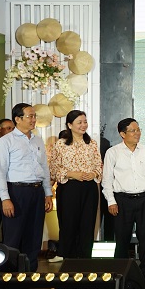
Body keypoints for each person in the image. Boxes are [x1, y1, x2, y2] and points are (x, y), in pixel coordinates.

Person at [0, 103, 53, 271]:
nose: (34, 119)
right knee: (13, 236)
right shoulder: (5, 142)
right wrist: (5, 199)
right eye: (30, 116)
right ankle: (10, 276)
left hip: (37, 191)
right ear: (17, 119)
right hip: (16, 192)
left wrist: (48, 193)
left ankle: (30, 274)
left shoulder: (37, 140)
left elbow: (44, 168)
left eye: (34, 116)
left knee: (34, 236)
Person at [103, 118, 145, 283]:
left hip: (144, 199)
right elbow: (107, 179)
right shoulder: (113, 152)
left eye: (138, 130)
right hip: (122, 200)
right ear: (122, 134)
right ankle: (121, 273)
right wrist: (111, 201)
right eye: (133, 130)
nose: (137, 133)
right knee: (122, 238)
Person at [48, 110, 102, 261]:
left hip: (89, 188)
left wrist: (94, 173)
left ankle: (85, 256)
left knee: (88, 222)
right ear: (70, 125)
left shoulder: (92, 143)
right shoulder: (61, 144)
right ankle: (65, 254)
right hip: (69, 188)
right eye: (79, 122)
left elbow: (99, 165)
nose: (83, 125)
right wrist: (71, 174)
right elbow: (54, 169)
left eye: (85, 122)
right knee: (68, 222)